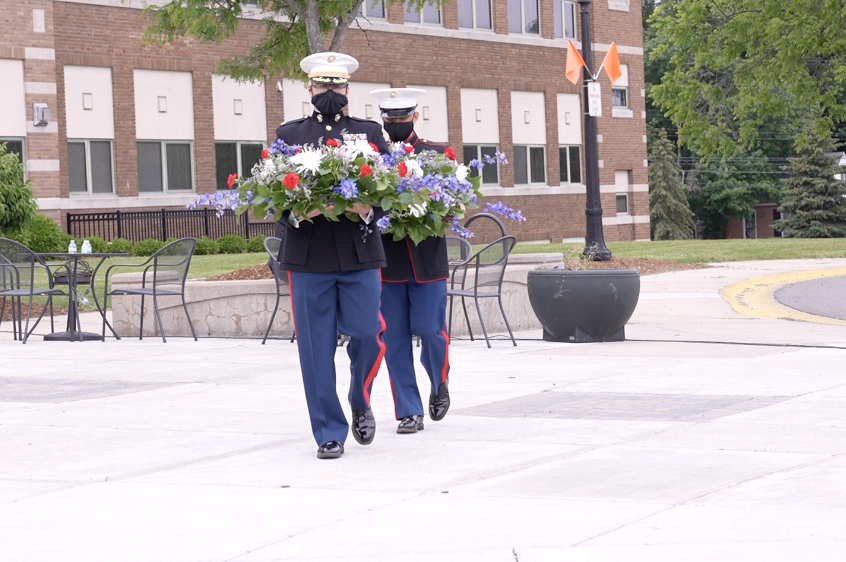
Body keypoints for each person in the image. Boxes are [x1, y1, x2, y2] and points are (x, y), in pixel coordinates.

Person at [276, 53, 391, 459]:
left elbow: (390, 188)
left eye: (336, 86)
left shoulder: (370, 133)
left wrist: (369, 209)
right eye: (322, 86)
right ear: (309, 89)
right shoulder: (288, 135)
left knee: (368, 334)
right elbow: (273, 196)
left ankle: (360, 397)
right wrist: (295, 209)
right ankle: (328, 431)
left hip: (359, 252)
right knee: (315, 348)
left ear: (347, 90)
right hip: (309, 255)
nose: (329, 93)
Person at [369, 87, 452, 434]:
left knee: (432, 331)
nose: (396, 124)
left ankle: (439, 382)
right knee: (395, 339)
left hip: (427, 258)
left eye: (402, 118)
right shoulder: (373, 157)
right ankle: (408, 410)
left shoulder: (437, 153)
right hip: (389, 262)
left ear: (415, 117)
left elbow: (452, 206)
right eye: (390, 119)